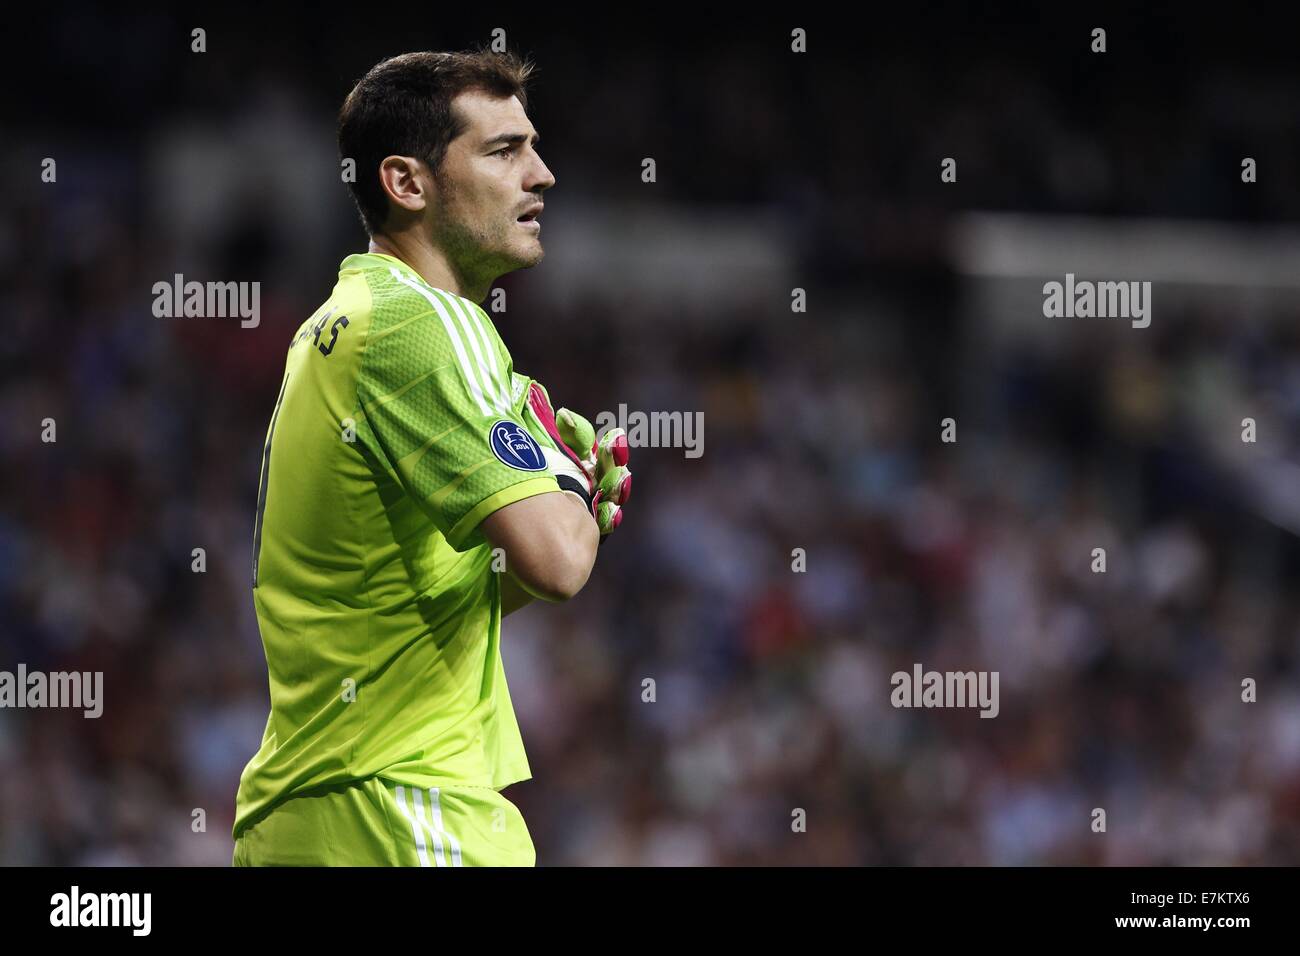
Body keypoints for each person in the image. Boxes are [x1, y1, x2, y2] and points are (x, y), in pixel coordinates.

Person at [232, 49, 629, 867]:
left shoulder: (346, 321)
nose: (541, 174)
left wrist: (561, 499)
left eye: (533, 145)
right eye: (503, 150)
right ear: (407, 184)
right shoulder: (421, 327)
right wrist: (572, 491)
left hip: (320, 814)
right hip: (402, 810)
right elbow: (559, 563)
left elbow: (413, 595)